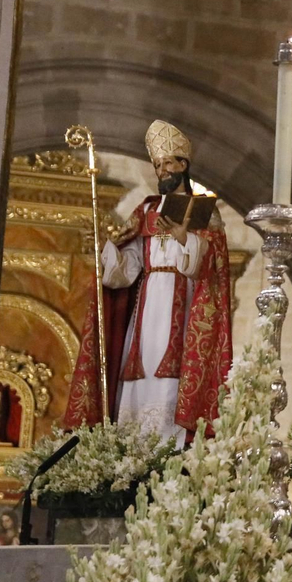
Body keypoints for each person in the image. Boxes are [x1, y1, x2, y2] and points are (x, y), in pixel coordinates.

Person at [64, 120, 235, 442]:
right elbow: (128, 269)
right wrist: (106, 248)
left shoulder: (204, 212)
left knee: (173, 373)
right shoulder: (145, 211)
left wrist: (186, 239)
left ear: (183, 165)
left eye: (168, 163)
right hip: (146, 306)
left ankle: (172, 443)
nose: (162, 171)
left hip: (182, 307)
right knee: (139, 369)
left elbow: (208, 269)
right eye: (157, 165)